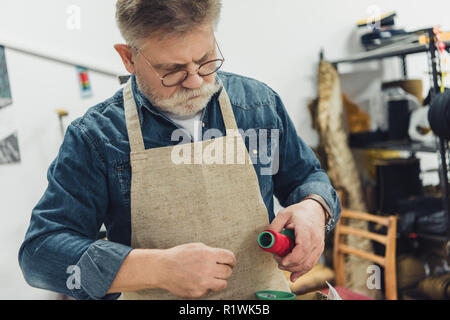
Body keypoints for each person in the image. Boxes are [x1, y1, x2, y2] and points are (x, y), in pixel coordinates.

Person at [19, 0, 341, 300]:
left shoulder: (257, 105)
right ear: (128, 57)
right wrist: (156, 268)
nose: (195, 82)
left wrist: (314, 208)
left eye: (204, 60)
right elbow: (39, 253)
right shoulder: (97, 137)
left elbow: (308, 176)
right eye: (171, 70)